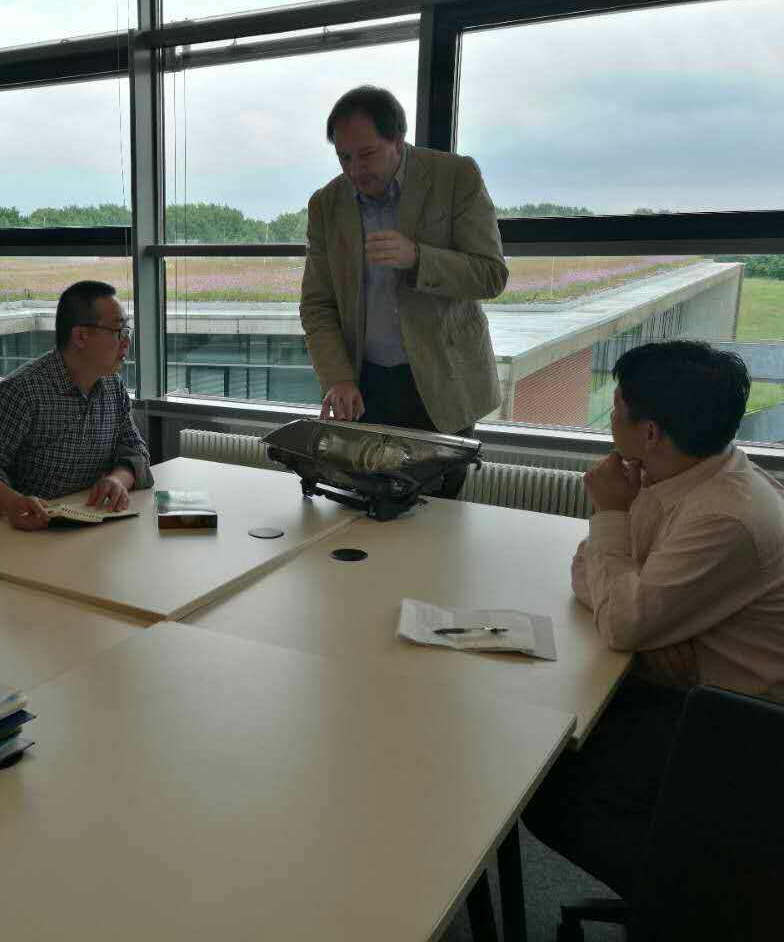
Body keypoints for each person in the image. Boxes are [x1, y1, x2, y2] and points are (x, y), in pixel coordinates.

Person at [522, 340, 784, 899]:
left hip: (740, 726)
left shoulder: (725, 515)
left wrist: (610, 513)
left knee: (544, 788)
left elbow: (619, 618)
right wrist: (637, 617)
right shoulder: (684, 473)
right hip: (680, 684)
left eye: (616, 407)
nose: (609, 418)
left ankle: (695, 902)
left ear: (649, 433)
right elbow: (587, 574)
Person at [299, 85, 508, 497]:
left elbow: (490, 275)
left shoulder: (456, 177)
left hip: (442, 383)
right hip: (365, 389)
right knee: (364, 507)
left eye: (366, 154)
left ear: (398, 140)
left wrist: (418, 258)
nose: (355, 170)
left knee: (438, 517)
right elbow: (317, 305)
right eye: (343, 157)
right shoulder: (326, 204)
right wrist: (337, 378)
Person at [0, 280, 153, 531]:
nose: (126, 342)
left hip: (81, 526)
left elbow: (135, 450)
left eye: (127, 330)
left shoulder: (113, 387)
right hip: (19, 531)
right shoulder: (24, 391)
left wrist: (118, 480)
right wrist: (12, 504)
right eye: (118, 331)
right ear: (80, 336)